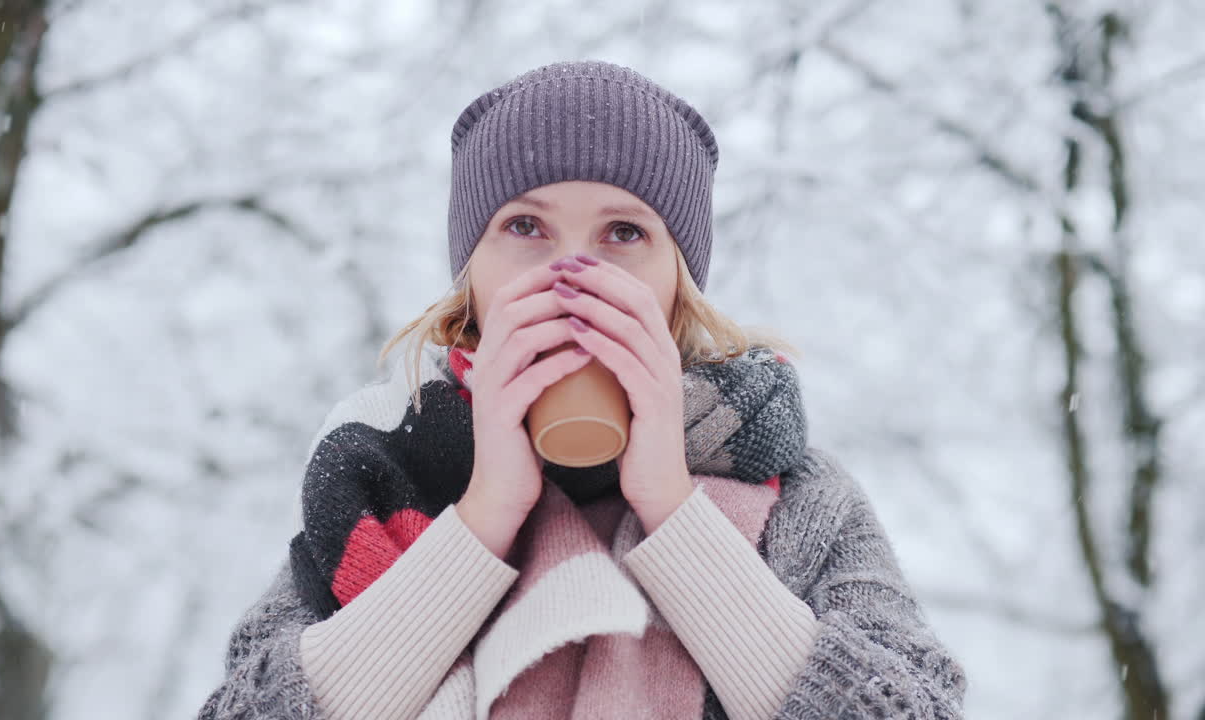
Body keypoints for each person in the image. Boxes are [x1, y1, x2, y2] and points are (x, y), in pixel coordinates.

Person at [197, 60, 967, 720]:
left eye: (624, 233)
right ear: (471, 277)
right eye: (526, 227)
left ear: (678, 284)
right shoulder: (375, 477)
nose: (571, 278)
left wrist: (672, 505)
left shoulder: (798, 495)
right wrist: (483, 518)